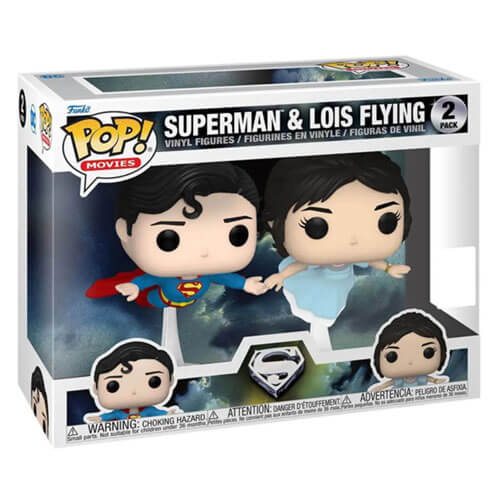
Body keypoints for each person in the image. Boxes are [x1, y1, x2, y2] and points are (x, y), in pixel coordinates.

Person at [263, 153, 412, 350]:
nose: (353, 240)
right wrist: (281, 276)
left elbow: (371, 260)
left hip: (338, 289)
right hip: (316, 285)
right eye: (316, 227)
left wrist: (389, 268)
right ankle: (318, 335)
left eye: (386, 222)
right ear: (276, 224)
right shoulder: (317, 260)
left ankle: (321, 332)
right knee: (317, 314)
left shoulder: (355, 256)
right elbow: (300, 265)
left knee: (330, 311)